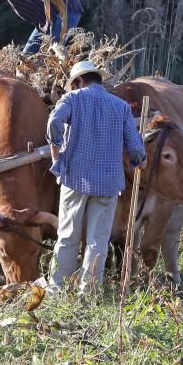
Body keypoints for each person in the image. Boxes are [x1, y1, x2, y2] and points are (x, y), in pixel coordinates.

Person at [46, 61, 146, 294]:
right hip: (108, 184)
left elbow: (54, 122)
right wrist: (139, 159)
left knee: (68, 235)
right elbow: (135, 147)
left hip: (74, 179)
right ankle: (88, 292)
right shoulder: (120, 106)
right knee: (98, 240)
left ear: (79, 81)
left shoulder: (72, 99)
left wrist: (56, 153)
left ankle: (58, 288)